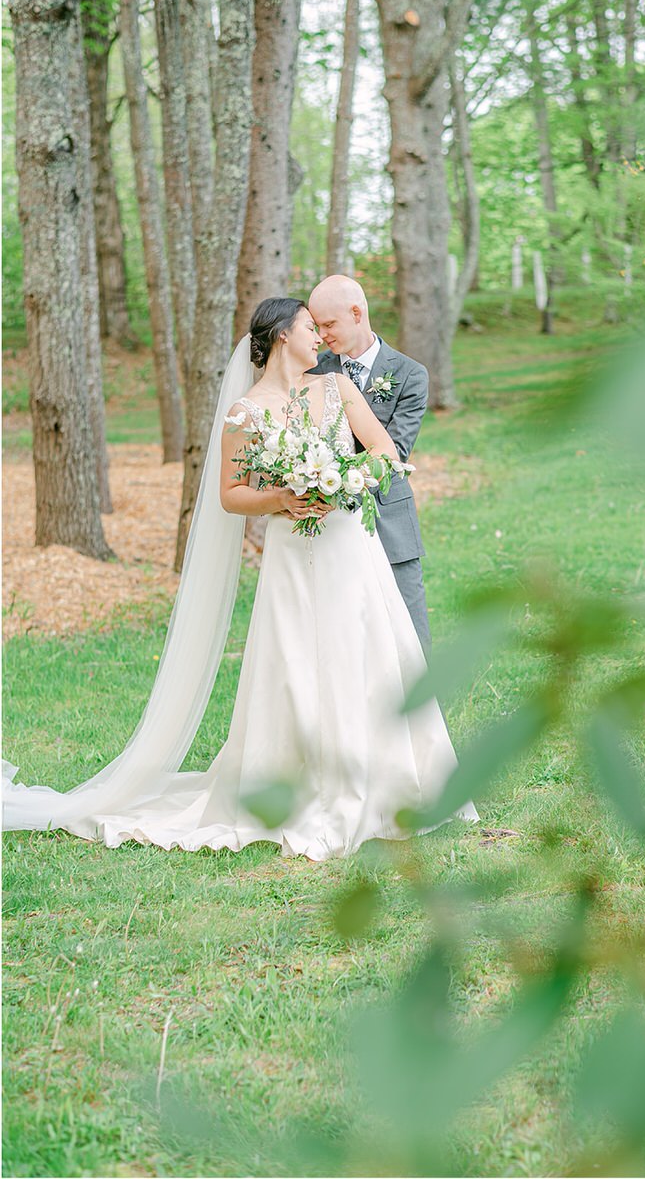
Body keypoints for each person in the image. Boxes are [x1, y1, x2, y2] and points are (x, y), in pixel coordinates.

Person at [2, 298, 478, 860]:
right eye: (309, 327)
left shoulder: (337, 389)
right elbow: (231, 495)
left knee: (368, 653)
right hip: (291, 553)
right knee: (297, 661)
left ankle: (397, 782)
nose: (320, 337)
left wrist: (345, 480)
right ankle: (295, 787)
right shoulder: (246, 412)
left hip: (351, 543)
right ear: (281, 337)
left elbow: (381, 450)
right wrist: (282, 495)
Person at [308, 276, 431, 653]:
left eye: (329, 325)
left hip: (388, 519)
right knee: (343, 637)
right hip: (329, 523)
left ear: (357, 313)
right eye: (317, 327)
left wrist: (335, 477)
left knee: (410, 635)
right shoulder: (313, 370)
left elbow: (394, 452)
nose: (323, 335)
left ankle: (423, 712)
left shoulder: (410, 374)